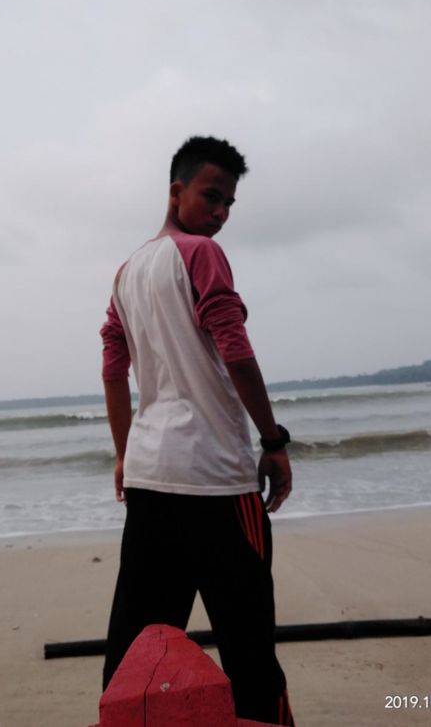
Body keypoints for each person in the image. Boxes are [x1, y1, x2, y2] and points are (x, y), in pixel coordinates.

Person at [100, 135, 295, 725]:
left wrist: (124, 454)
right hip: (215, 480)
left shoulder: (128, 271)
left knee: (136, 649)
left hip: (151, 479)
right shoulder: (201, 254)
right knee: (249, 648)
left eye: (229, 202)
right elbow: (236, 351)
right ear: (175, 191)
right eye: (212, 196)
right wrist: (273, 441)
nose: (221, 213)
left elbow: (113, 368)